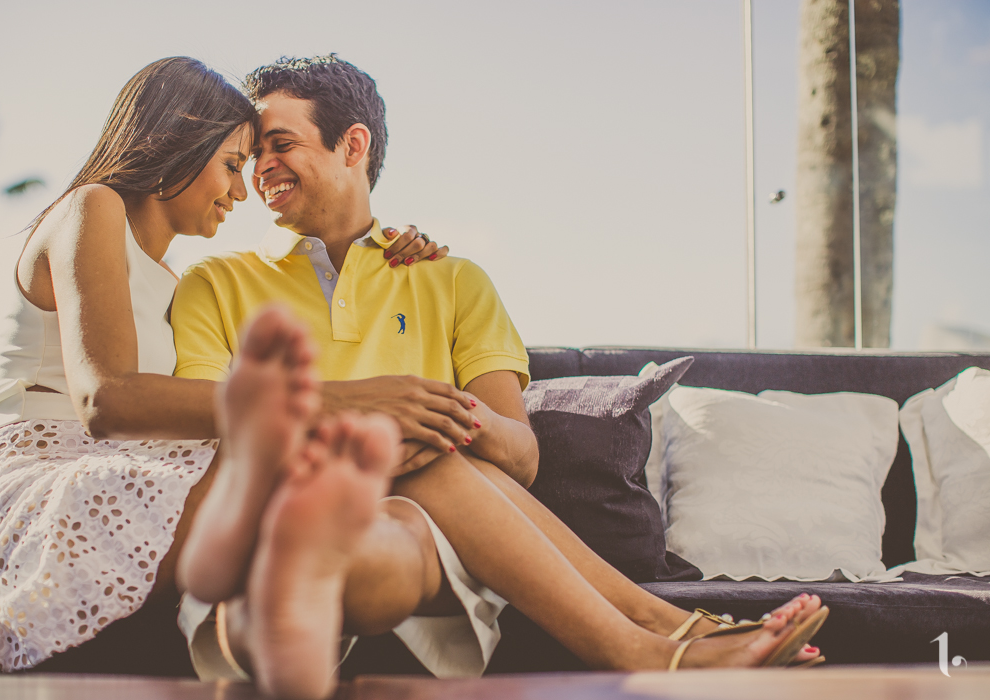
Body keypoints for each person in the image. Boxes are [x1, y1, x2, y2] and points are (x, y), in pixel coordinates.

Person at [170, 54, 829, 697]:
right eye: (252, 153)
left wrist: (437, 415)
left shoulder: (451, 279)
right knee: (414, 460)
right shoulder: (215, 284)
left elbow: (519, 454)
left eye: (279, 144)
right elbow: (209, 436)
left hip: (403, 546)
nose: (259, 169)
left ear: (353, 145)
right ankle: (661, 636)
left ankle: (659, 637)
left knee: (432, 459)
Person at [0, 56, 445, 689]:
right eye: (233, 164)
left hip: (121, 474)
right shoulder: (91, 209)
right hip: (38, 493)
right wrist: (338, 400)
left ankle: (279, 608)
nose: (242, 190)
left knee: (373, 461)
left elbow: (198, 403)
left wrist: (389, 247)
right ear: (177, 139)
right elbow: (108, 399)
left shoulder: (176, 284)